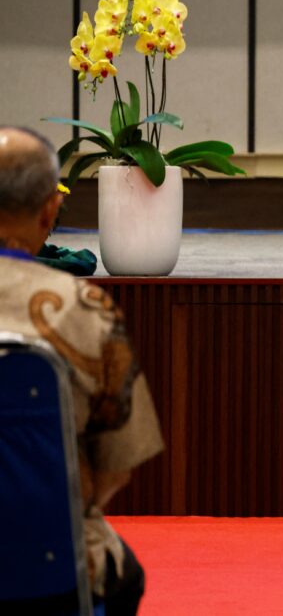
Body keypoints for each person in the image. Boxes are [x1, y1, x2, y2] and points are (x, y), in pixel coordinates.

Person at [0, 127, 164, 613]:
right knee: (121, 576)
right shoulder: (86, 309)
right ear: (50, 210)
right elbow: (119, 464)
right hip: (50, 570)